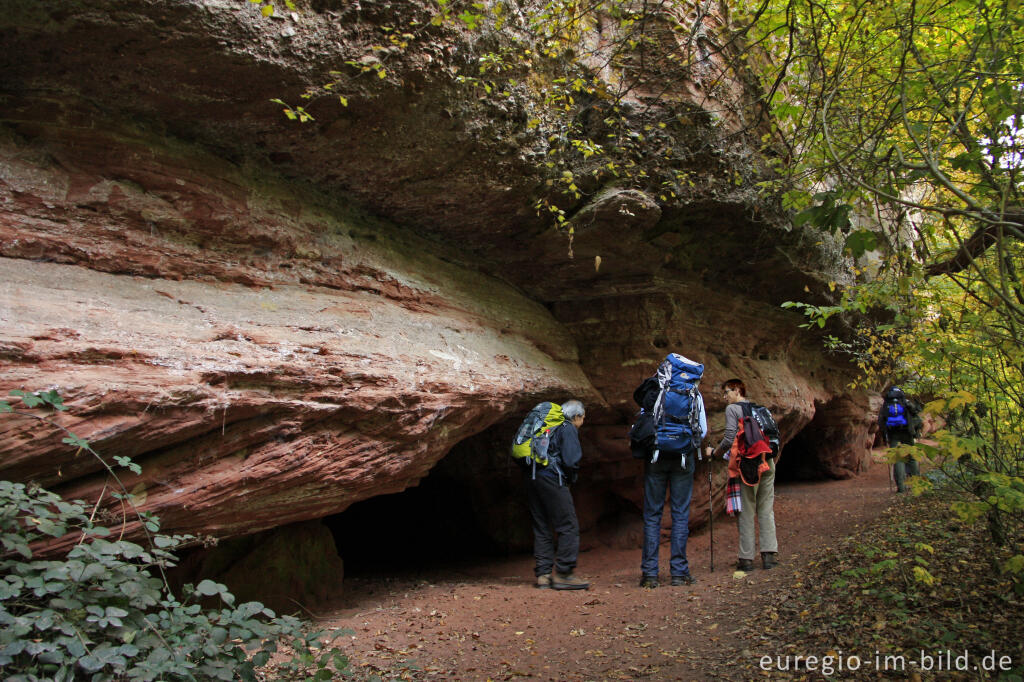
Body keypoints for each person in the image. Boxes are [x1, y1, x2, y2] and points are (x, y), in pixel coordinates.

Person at [636, 354, 707, 589]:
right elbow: (703, 430)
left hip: (656, 458)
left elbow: (645, 421)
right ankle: (678, 573)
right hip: (684, 459)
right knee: (680, 514)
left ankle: (650, 574)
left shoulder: (658, 389)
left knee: (653, 515)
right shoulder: (694, 394)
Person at [706, 378, 779, 571]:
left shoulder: (733, 409)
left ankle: (746, 559)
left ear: (737, 390)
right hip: (767, 461)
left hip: (748, 465)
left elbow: (730, 437)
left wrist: (715, 453)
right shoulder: (760, 409)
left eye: (727, 392)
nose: (725, 397)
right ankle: (769, 556)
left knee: (746, 509)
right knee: (765, 508)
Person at [523, 399, 590, 591]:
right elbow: (570, 460)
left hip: (532, 476)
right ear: (576, 416)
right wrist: (570, 478)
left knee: (542, 525)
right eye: (583, 418)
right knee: (567, 525)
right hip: (552, 478)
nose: (582, 422)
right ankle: (564, 574)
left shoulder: (546, 426)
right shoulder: (567, 427)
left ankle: (543, 575)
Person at [878, 385, 923, 493]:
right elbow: (916, 413)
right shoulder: (905, 402)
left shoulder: (886, 404)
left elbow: (881, 421)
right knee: (911, 457)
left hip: (893, 434)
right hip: (907, 433)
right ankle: (916, 485)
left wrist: (885, 435)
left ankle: (901, 488)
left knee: (898, 459)